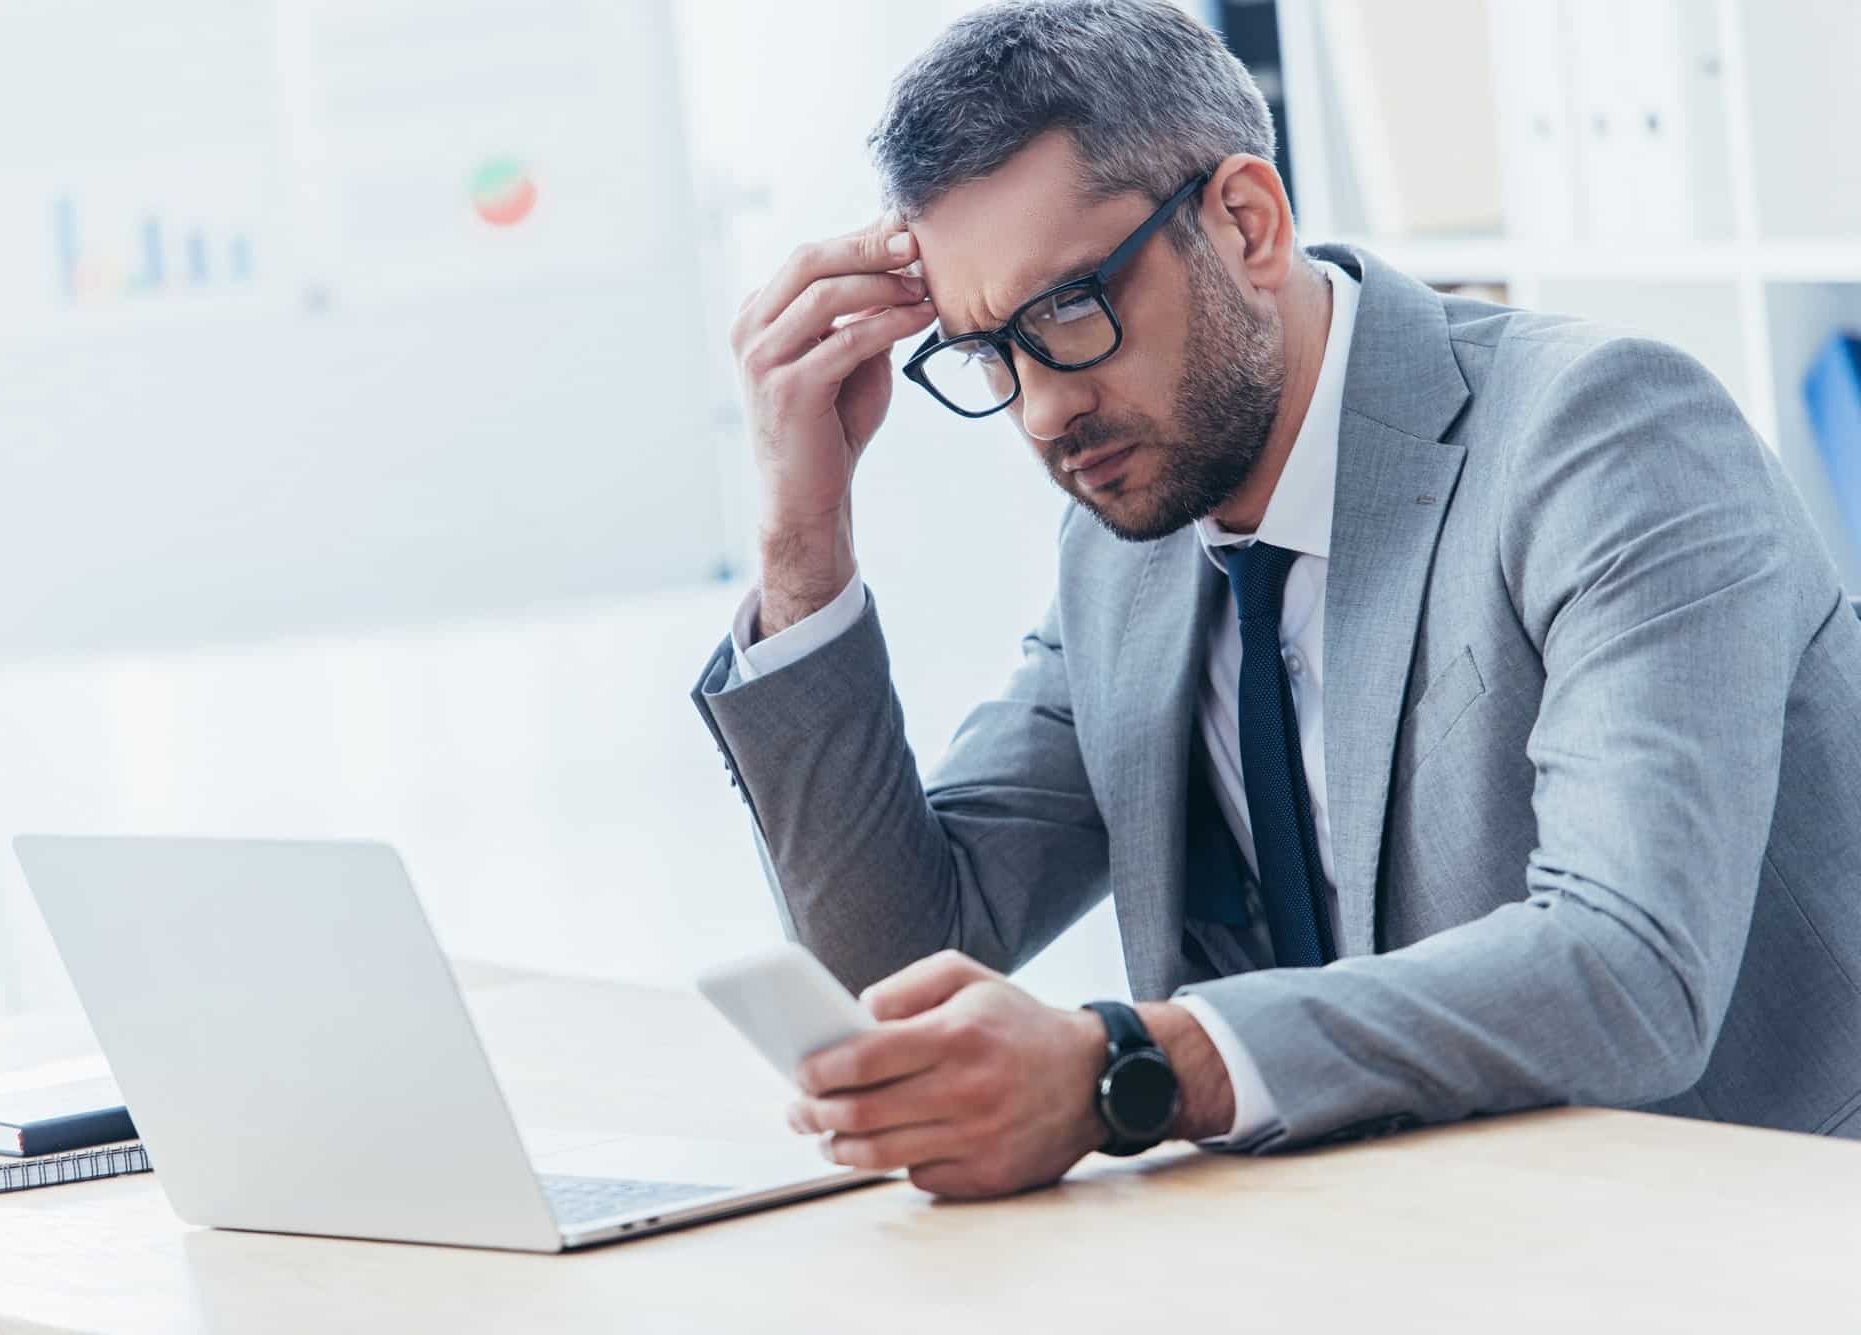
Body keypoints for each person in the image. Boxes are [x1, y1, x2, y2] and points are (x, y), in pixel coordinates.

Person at [690, 0, 1861, 1199]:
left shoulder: (1603, 435)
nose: (1040, 412)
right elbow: (890, 973)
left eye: (1069, 310)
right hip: (1381, 1241)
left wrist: (1132, 1067)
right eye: (989, 352)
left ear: (1245, 223)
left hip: (1746, 1228)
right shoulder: (1124, 550)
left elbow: (1628, 968)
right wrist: (800, 540)